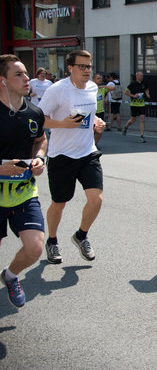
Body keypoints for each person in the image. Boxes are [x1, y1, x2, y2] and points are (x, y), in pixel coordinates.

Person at [38, 50, 106, 264]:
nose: (87, 70)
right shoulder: (57, 90)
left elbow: (87, 111)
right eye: (82, 66)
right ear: (70, 68)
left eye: (89, 66)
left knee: (96, 200)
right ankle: (52, 240)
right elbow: (38, 119)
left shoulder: (93, 88)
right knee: (59, 203)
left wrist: (96, 121)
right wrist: (61, 124)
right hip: (62, 155)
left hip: (88, 152)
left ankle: (81, 235)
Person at [0, 54, 47, 308]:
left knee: (35, 249)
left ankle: (10, 275)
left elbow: (40, 140)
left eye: (26, 73)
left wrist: (40, 158)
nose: (27, 78)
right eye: (18, 74)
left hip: (24, 193)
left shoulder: (34, 113)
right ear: (3, 81)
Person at [122, 71, 150, 143]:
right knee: (133, 120)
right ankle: (126, 127)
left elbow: (146, 89)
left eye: (142, 76)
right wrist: (133, 96)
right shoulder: (133, 84)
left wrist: (147, 94)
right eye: (140, 76)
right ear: (137, 76)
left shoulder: (144, 83)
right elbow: (126, 92)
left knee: (142, 119)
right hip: (134, 104)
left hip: (142, 104)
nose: (141, 77)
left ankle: (141, 136)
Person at [93, 73, 113, 144]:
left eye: (101, 79)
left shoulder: (103, 88)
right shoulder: (90, 88)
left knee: (100, 129)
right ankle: (89, 145)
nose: (100, 80)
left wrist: (103, 86)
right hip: (92, 112)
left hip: (100, 111)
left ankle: (95, 144)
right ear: (93, 79)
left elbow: (113, 88)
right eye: (98, 78)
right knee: (92, 130)